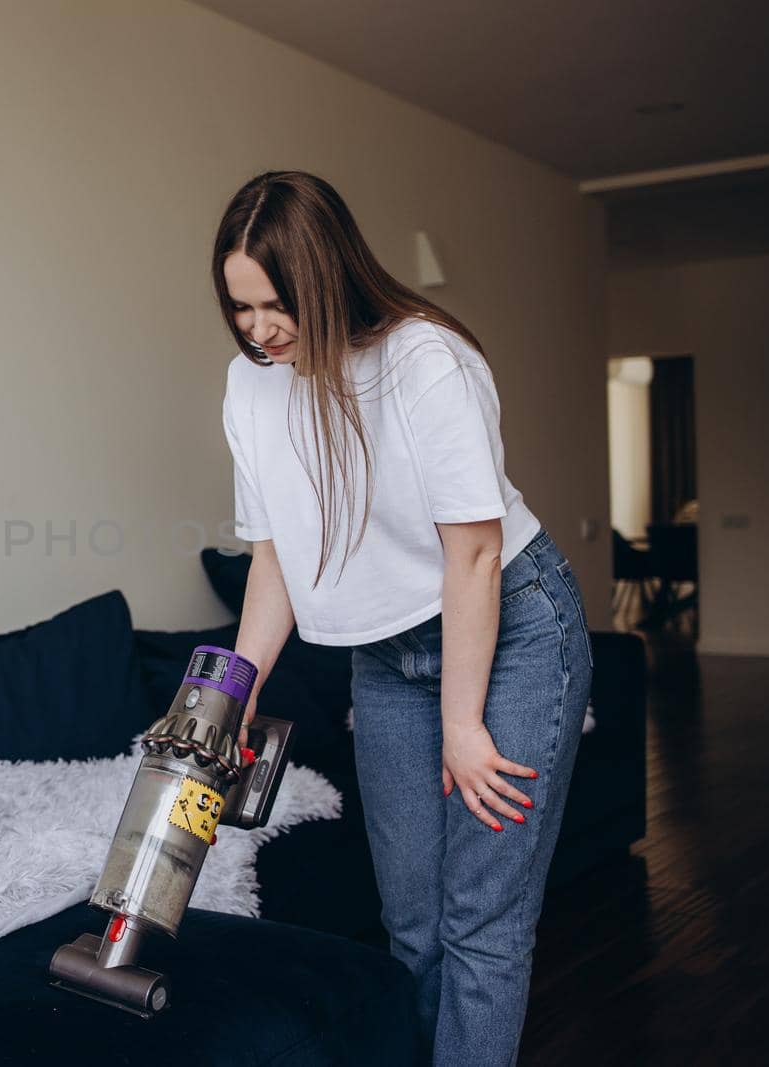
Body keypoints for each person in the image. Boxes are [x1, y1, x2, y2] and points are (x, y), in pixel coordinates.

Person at [213, 171, 592, 1067]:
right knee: (413, 920)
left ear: (328, 277)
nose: (259, 329)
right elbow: (277, 562)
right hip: (385, 660)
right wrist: (232, 695)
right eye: (239, 307)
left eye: (277, 304)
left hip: (513, 632)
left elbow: (476, 553)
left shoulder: (425, 359)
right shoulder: (250, 385)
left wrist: (464, 724)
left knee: (482, 923)